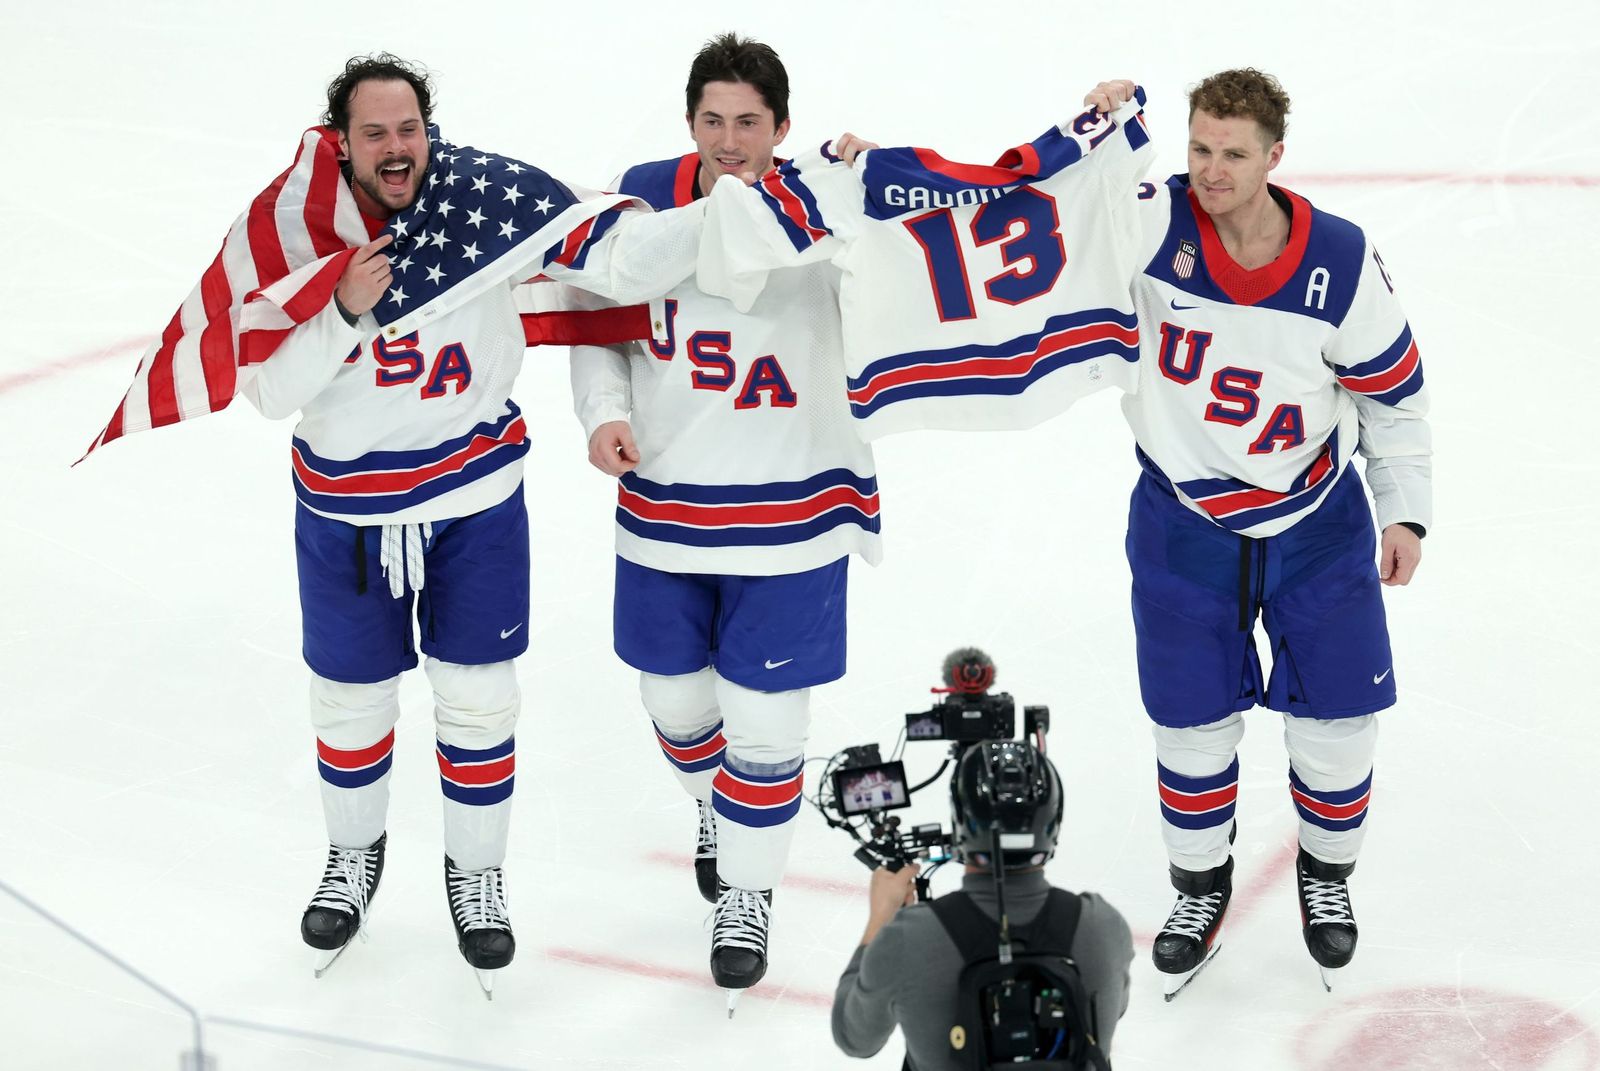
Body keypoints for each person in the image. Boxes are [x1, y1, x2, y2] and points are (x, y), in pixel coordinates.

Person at [93, 53, 707, 994]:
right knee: (349, 699)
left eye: (409, 129)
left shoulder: (483, 208)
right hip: (346, 509)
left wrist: (753, 207)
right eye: (375, 132)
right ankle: (352, 856)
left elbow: (616, 262)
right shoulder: (295, 231)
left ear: (429, 130)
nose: (395, 148)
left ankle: (478, 875)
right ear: (341, 141)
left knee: (479, 697)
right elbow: (270, 393)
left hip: (474, 498)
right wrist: (343, 309)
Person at [1081, 72, 1431, 993]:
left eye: (1233, 153)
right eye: (1199, 148)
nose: (1211, 169)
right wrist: (1101, 127)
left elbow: (1393, 397)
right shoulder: (1150, 227)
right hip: (1182, 522)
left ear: (1275, 155)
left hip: (1316, 525)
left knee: (1339, 719)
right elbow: (1056, 212)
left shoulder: (1341, 260)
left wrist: (1403, 507)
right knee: (1190, 722)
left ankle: (1326, 876)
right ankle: (1200, 890)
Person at [569, 33, 880, 998]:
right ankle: (723, 810)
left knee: (768, 726)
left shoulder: (825, 202)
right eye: (713, 120)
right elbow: (597, 319)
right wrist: (605, 412)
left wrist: (880, 196)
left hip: (794, 508)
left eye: (749, 122)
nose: (730, 139)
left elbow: (921, 274)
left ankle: (748, 891)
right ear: (690, 122)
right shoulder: (640, 200)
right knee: (673, 701)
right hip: (665, 504)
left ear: (783, 128)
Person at [833, 742, 1133, 1069]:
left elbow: (854, 1038)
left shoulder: (909, 936)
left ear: (959, 820)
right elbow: (1112, 1010)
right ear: (1053, 823)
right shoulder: (1103, 925)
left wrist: (881, 918)